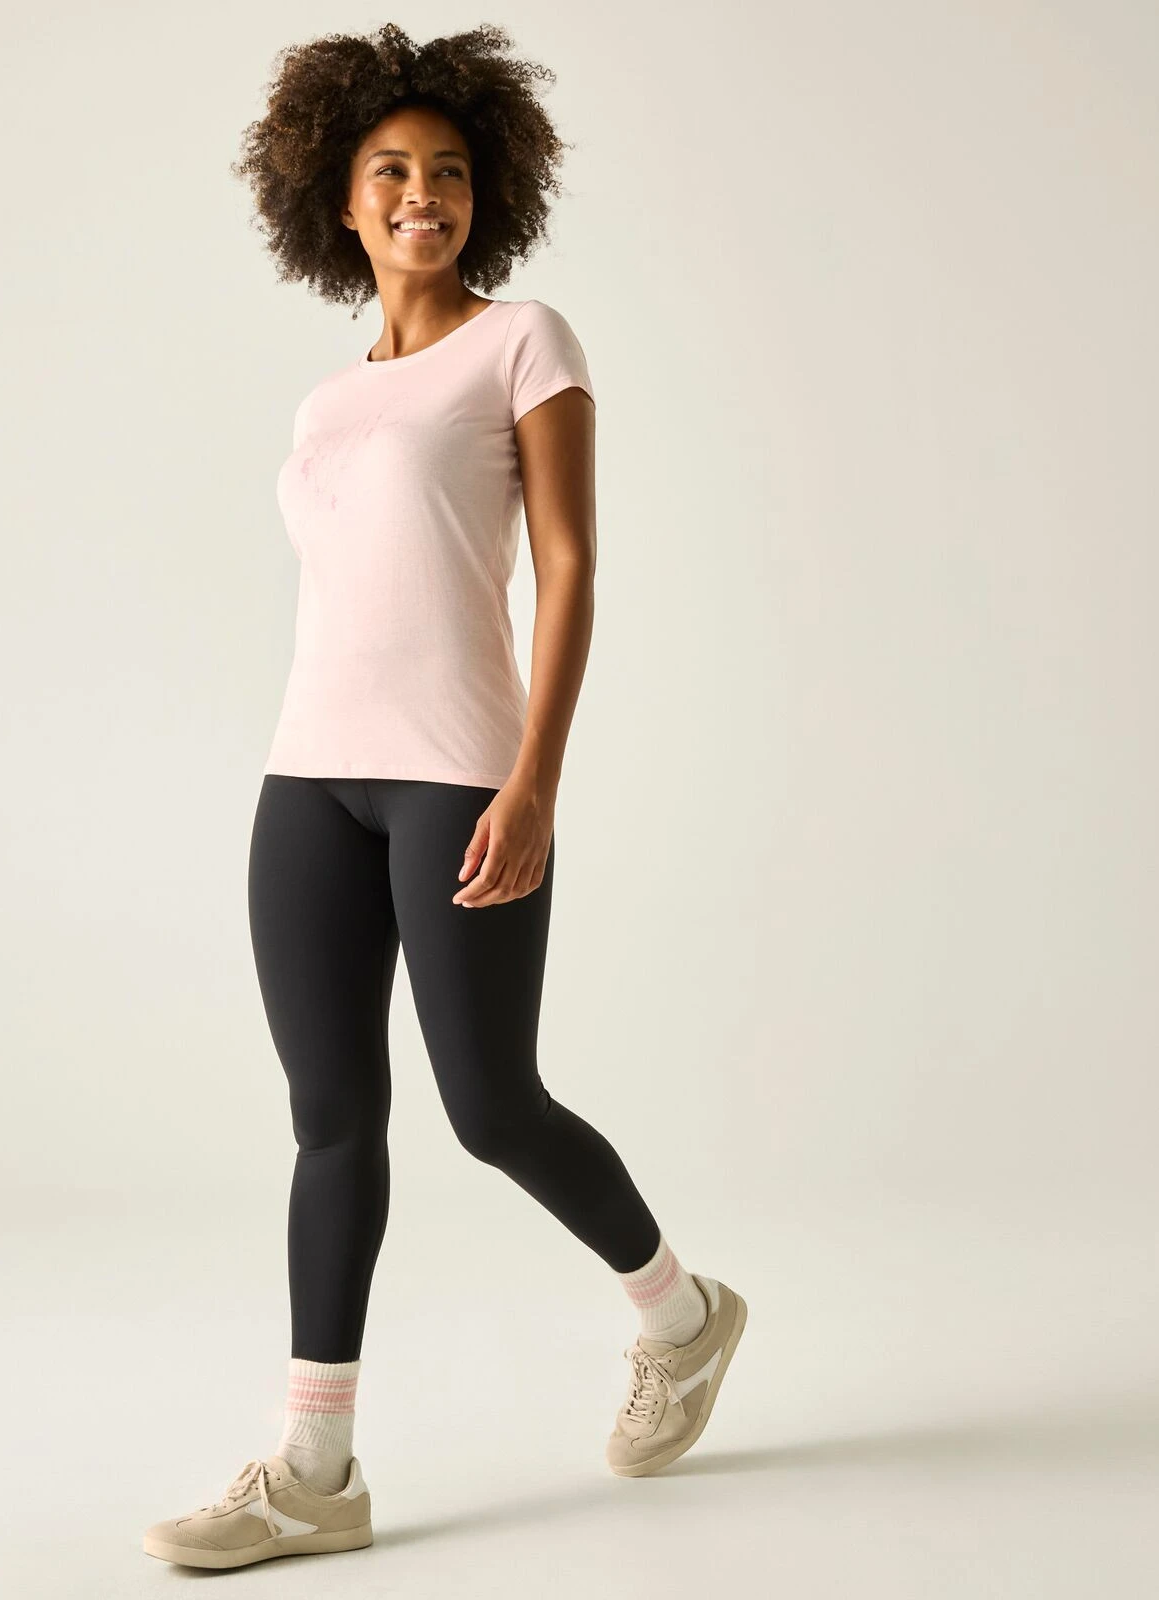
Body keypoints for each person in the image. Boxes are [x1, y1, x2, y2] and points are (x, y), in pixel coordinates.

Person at [143, 22, 747, 1570]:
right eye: (393, 171)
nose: (425, 194)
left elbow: (571, 566)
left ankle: (680, 1316)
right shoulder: (325, 402)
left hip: (463, 776)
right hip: (307, 779)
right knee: (330, 1117)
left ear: (490, 194)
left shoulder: (526, 340)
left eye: (452, 171)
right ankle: (315, 1469)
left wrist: (536, 779)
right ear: (338, 199)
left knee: (490, 1107)